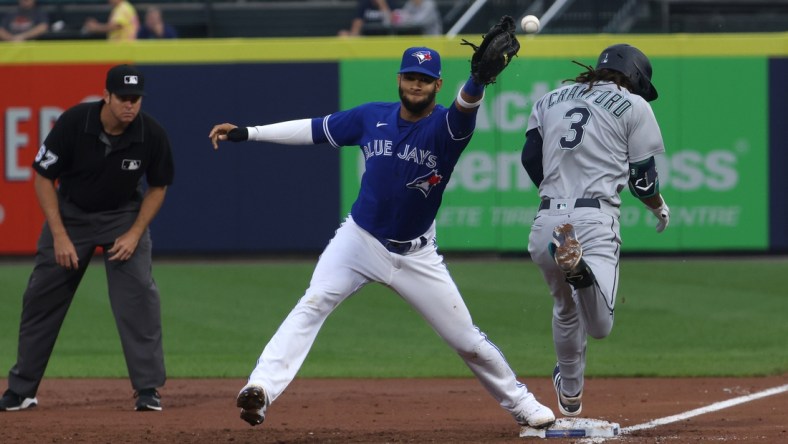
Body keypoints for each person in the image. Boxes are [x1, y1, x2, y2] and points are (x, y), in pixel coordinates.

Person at [209, 44, 556, 430]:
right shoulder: (371, 116)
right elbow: (312, 129)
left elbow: (465, 106)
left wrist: (477, 80)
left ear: (438, 85)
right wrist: (248, 133)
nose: (416, 84)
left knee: (465, 339)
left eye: (425, 79)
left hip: (416, 256)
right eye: (411, 76)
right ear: (399, 79)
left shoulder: (445, 129)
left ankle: (522, 403)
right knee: (315, 301)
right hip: (360, 240)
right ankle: (260, 389)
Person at [0, 64, 174, 413]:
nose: (130, 105)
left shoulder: (150, 133)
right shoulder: (74, 123)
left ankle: (147, 390)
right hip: (71, 216)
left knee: (139, 296)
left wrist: (135, 232)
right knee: (40, 300)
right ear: (106, 96)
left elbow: (158, 186)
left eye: (136, 98)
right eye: (123, 98)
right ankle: (21, 391)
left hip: (122, 217)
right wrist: (60, 236)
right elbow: (43, 178)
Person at [521, 44, 670, 417]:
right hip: (593, 220)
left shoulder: (549, 98)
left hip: (547, 223)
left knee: (565, 308)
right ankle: (580, 270)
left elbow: (528, 157)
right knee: (599, 325)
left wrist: (555, 193)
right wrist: (659, 207)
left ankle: (569, 396)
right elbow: (643, 181)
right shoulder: (634, 106)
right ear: (633, 75)